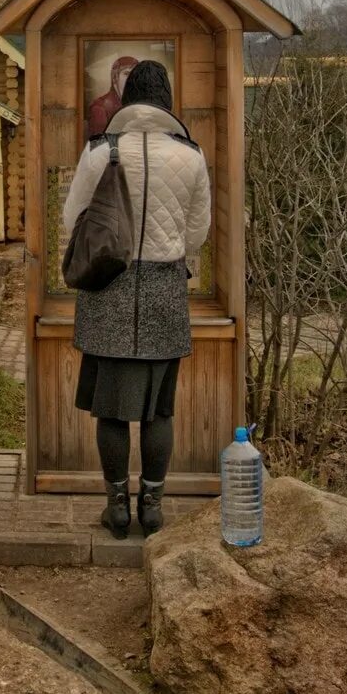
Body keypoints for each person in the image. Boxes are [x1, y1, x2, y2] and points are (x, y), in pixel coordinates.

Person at [60, 61, 210, 539]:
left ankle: (117, 508)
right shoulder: (192, 156)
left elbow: (72, 221)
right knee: (158, 409)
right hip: (166, 288)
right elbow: (197, 233)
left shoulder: (100, 151)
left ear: (127, 99)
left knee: (110, 408)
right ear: (166, 101)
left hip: (109, 288)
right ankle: (153, 507)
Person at [85, 54, 140, 137]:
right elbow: (99, 145)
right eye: (127, 73)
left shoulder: (139, 104)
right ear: (115, 77)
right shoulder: (100, 108)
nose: (132, 78)